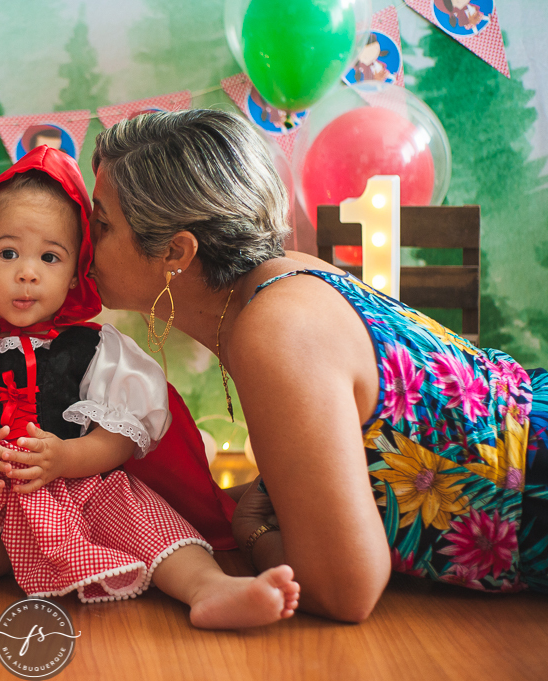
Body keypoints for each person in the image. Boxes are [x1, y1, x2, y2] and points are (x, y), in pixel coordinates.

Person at [87, 108, 548, 623]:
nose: (84, 240)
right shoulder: (289, 279)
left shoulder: (277, 330)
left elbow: (343, 591)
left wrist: (255, 534)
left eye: (102, 224)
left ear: (176, 251)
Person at [0, 147, 300, 648]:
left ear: (77, 269)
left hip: (88, 495)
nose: (27, 273)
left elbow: (121, 437)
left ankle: (210, 590)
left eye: (50, 257)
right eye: (8, 253)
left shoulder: (100, 349)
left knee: (160, 532)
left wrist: (67, 457)